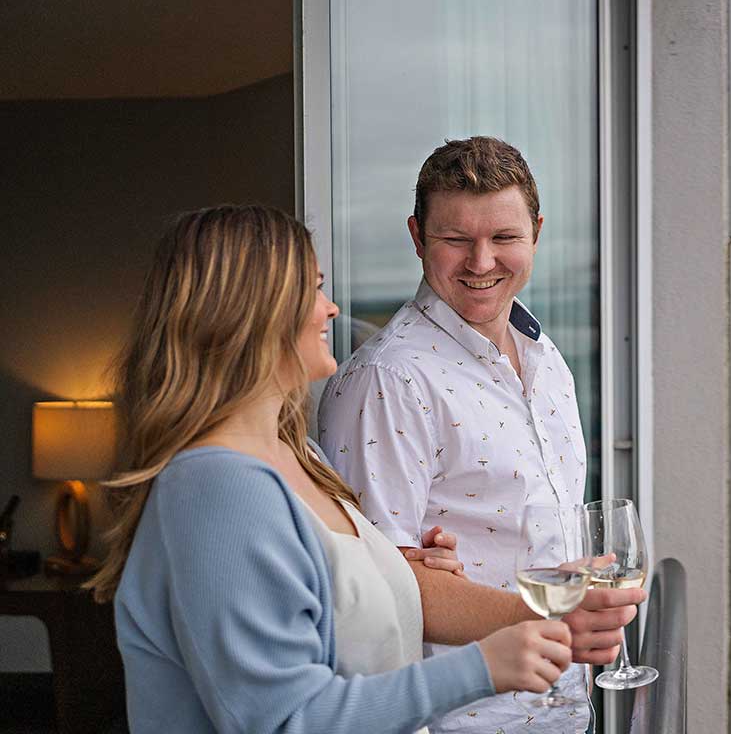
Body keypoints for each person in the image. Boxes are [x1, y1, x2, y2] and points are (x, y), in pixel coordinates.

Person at [87, 205, 574, 733]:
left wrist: (403, 573)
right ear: (249, 311)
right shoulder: (216, 487)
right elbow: (285, 720)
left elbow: (327, 618)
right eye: (312, 290)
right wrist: (483, 667)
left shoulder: (297, 456)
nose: (332, 308)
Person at [319, 137, 644, 732]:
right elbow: (374, 594)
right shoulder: (388, 380)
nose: (482, 261)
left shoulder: (544, 356)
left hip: (563, 708)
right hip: (461, 719)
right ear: (417, 238)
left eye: (504, 238)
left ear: (537, 233)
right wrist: (561, 615)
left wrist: (579, 589)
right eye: (456, 240)